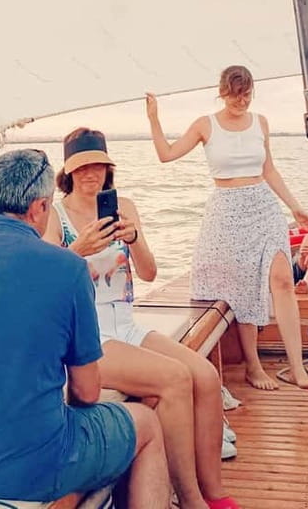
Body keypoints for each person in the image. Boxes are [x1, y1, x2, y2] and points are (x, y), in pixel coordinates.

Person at [0, 149, 170, 509]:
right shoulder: (66, 268)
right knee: (146, 424)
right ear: (40, 208)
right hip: (27, 468)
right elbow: (87, 392)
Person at [43, 128, 238, 509]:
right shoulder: (56, 214)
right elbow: (47, 279)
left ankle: (214, 493)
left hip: (126, 322)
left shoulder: (124, 206)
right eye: (82, 168)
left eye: (97, 166)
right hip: (89, 333)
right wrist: (78, 248)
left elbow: (148, 273)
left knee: (207, 376)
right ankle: (190, 498)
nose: (90, 175)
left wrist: (134, 239)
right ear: (67, 172)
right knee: (175, 379)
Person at [146, 65, 308, 391]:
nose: (241, 101)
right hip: (226, 209)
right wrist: (154, 118)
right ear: (223, 92)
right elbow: (166, 155)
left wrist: (294, 206)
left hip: (263, 206)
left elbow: (269, 169)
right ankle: (253, 366)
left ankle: (298, 369)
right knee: (239, 288)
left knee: (282, 279)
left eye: (246, 95)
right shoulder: (205, 125)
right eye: (235, 95)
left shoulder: (261, 123)